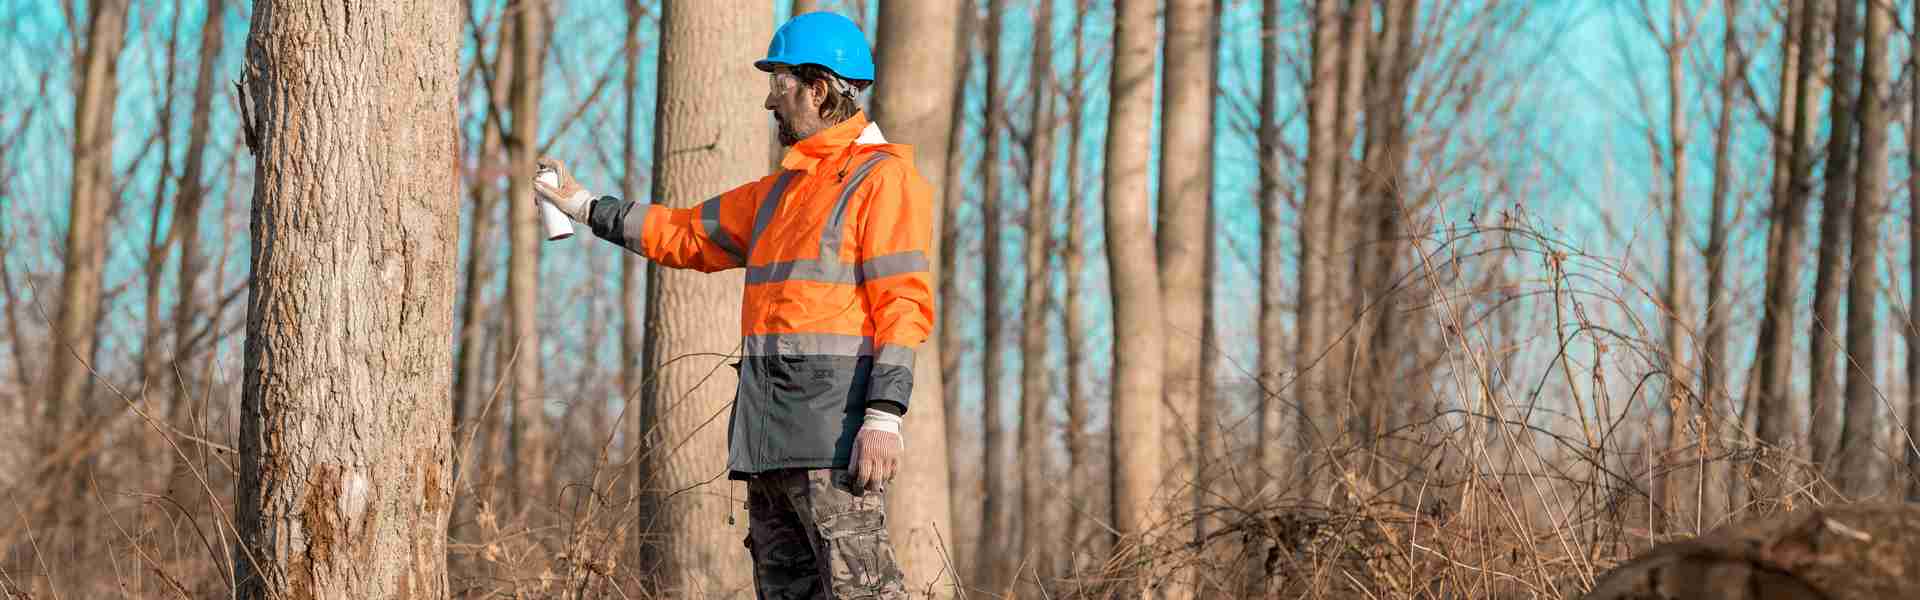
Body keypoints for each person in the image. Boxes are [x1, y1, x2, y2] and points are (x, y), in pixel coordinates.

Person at [531, 11, 930, 600]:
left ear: (818, 89)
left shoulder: (881, 180)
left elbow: (903, 301)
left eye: (780, 83)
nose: (771, 101)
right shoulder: (778, 195)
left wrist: (883, 417)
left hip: (835, 443)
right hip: (767, 441)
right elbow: (686, 233)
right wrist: (586, 204)